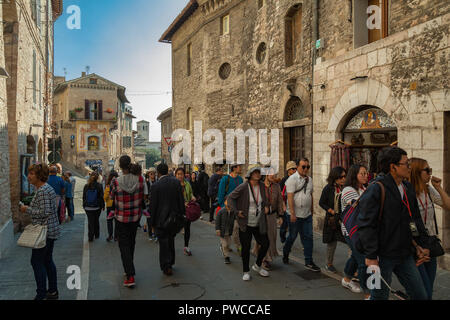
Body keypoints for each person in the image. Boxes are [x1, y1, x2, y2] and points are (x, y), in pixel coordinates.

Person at [357, 147, 430, 300]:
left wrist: (420, 245)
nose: (409, 168)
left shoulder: (407, 187)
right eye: (406, 164)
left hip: (404, 254)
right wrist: (371, 256)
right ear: (393, 167)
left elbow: (414, 219)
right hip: (379, 257)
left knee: (420, 295)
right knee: (378, 295)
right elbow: (365, 225)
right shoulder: (376, 188)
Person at [409, 158, 450, 299]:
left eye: (430, 170)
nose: (430, 173)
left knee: (428, 289)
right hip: (417, 247)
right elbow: (409, 223)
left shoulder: (427, 189)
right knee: (423, 291)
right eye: (427, 170)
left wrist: (438, 187)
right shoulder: (408, 193)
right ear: (416, 172)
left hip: (430, 244)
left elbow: (448, 205)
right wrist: (418, 246)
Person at [19, 164, 60, 300]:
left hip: (44, 232)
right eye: (29, 173)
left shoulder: (42, 190)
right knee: (47, 261)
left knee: (36, 262)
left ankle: (41, 294)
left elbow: (45, 212)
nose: (29, 176)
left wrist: (27, 209)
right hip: (50, 230)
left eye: (31, 174)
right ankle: (53, 291)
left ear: (39, 176)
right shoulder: (45, 189)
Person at [227, 165, 270, 281]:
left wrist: (266, 206)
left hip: (258, 222)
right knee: (245, 248)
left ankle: (257, 265)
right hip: (245, 222)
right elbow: (230, 198)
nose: (258, 174)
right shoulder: (244, 186)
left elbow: (264, 201)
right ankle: (246, 271)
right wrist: (236, 211)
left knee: (265, 243)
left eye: (259, 172)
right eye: (255, 172)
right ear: (250, 174)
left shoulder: (261, 186)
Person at [110, 156, 145, 287]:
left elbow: (111, 197)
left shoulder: (116, 181)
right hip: (135, 217)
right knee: (131, 242)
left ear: (120, 165)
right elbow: (143, 196)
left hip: (121, 218)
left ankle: (130, 274)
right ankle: (129, 267)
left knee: (123, 245)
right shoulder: (140, 179)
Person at [282, 158, 320, 272]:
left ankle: (309, 261)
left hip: (306, 215)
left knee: (308, 238)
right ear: (297, 167)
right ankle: (285, 252)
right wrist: (292, 213)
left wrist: (312, 209)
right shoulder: (291, 180)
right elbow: (289, 197)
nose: (305, 169)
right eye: (303, 166)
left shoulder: (310, 180)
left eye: (307, 167)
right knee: (292, 237)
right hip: (294, 215)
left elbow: (310, 195)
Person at [150, 163, 185, 276]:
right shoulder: (176, 183)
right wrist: (182, 215)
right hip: (174, 218)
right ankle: (171, 262)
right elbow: (181, 200)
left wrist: (152, 222)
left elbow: (153, 206)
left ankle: (166, 265)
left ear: (158, 173)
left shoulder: (155, 186)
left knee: (163, 243)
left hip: (161, 220)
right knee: (171, 240)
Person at [340, 165, 370, 297]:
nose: (365, 176)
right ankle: (368, 293)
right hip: (351, 230)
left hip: (362, 230)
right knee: (363, 261)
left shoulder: (364, 188)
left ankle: (346, 279)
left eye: (366, 173)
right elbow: (359, 205)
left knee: (355, 255)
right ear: (354, 175)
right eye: (362, 173)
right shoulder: (348, 189)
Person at [254, 167, 284, 270]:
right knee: (263, 237)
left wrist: (280, 215)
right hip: (260, 216)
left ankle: (263, 256)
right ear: (266, 175)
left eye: (274, 174)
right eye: (272, 174)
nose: (274, 176)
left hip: (272, 216)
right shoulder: (259, 186)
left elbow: (280, 201)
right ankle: (264, 259)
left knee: (272, 237)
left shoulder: (276, 186)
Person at [319, 166, 346, 273]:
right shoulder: (328, 188)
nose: (343, 179)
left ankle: (352, 268)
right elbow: (321, 202)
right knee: (332, 242)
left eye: (345, 176)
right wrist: (330, 210)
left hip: (343, 219)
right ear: (335, 178)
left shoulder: (346, 188)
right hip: (332, 219)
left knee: (350, 242)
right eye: (341, 177)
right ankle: (329, 263)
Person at [217, 164, 243, 254]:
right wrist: (223, 207)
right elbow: (220, 194)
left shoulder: (240, 179)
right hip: (227, 208)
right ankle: (225, 246)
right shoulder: (225, 179)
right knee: (227, 230)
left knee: (236, 229)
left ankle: (239, 247)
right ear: (234, 168)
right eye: (239, 166)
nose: (241, 168)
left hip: (237, 208)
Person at [175, 167, 196, 256]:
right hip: (176, 210)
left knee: (187, 228)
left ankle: (186, 247)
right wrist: (182, 203)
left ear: (184, 175)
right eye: (178, 174)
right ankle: (170, 247)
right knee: (175, 229)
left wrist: (192, 197)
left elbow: (190, 193)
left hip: (187, 210)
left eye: (181, 174)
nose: (180, 176)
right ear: (175, 175)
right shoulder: (173, 185)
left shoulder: (187, 184)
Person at [83, 172, 105, 242]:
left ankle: (90, 236)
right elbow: (101, 197)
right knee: (96, 220)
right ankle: (97, 234)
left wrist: (84, 205)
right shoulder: (99, 186)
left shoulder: (86, 186)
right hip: (97, 206)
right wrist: (103, 206)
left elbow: (84, 197)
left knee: (90, 221)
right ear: (98, 178)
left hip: (88, 207)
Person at [279, 161, 297, 243]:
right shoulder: (284, 180)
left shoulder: (297, 179)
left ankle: (290, 239)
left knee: (293, 226)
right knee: (284, 225)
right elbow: (281, 194)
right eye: (293, 169)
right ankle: (282, 236)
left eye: (296, 168)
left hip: (294, 206)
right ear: (288, 170)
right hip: (285, 205)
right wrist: (283, 205)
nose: (295, 170)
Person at [215, 197, 236, 264]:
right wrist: (217, 229)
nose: (229, 203)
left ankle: (223, 247)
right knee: (225, 245)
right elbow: (217, 221)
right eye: (227, 201)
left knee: (229, 244)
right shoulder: (221, 211)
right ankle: (226, 257)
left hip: (229, 232)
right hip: (222, 231)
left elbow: (236, 218)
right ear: (225, 203)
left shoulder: (233, 211)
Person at [104, 170, 118, 242]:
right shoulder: (119, 185)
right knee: (117, 221)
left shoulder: (108, 186)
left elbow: (105, 197)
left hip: (109, 205)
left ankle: (110, 235)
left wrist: (106, 200)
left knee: (109, 220)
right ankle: (116, 236)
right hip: (117, 205)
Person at [146, 168, 158, 241]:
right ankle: (150, 234)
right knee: (149, 219)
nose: (152, 175)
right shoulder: (147, 182)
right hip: (148, 203)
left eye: (153, 173)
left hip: (156, 202)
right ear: (148, 174)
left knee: (156, 219)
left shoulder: (157, 182)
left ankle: (156, 234)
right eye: (151, 174)